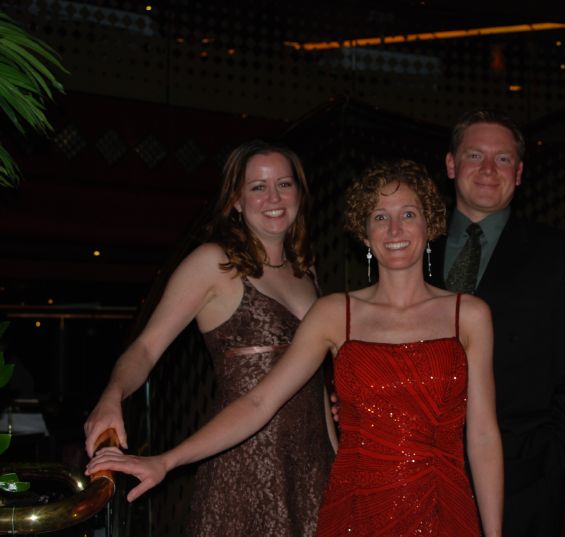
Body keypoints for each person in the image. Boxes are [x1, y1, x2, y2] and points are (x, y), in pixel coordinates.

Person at [87, 159, 504, 537]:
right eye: (381, 217)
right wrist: (165, 460)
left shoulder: (467, 314)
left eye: (408, 214)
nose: (395, 230)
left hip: (435, 504)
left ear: (429, 224)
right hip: (349, 504)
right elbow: (259, 402)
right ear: (365, 231)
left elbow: (483, 437)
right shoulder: (331, 312)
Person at [83, 140, 336, 536]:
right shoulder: (212, 263)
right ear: (236, 200)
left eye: (284, 185)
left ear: (300, 195)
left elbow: (314, 378)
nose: (273, 197)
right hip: (244, 465)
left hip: (311, 464)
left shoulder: (308, 271)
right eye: (258, 187)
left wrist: (337, 458)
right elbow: (147, 347)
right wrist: (112, 394)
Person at [429, 109, 565, 536]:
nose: (489, 169)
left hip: (522, 476)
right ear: (451, 165)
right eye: (474, 155)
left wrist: (558, 460)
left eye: (503, 159)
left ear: (519, 173)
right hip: (419, 469)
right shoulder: (411, 250)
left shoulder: (559, 255)